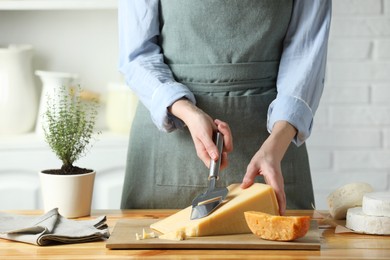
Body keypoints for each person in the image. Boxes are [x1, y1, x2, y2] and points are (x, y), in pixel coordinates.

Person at [118, 0, 332, 215]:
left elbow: (306, 53)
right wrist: (187, 111)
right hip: (171, 135)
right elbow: (138, 56)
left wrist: (277, 142)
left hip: (274, 143)